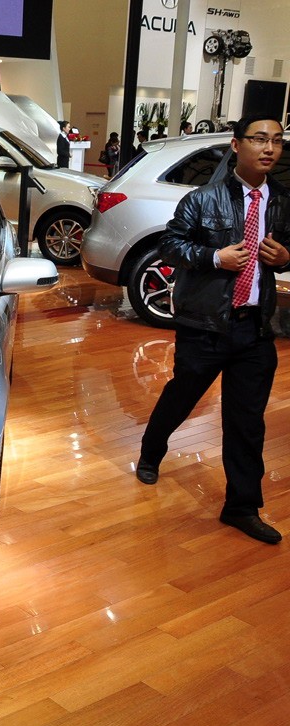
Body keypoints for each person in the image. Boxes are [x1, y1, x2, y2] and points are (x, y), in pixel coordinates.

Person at [136, 113, 290, 544]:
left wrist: (285, 258)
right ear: (236, 145)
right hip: (204, 326)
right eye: (259, 139)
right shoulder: (202, 200)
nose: (269, 148)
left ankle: (242, 507)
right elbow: (170, 245)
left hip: (255, 329)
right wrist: (214, 258)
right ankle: (151, 450)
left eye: (277, 141)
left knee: (247, 423)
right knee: (181, 397)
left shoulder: (282, 200)